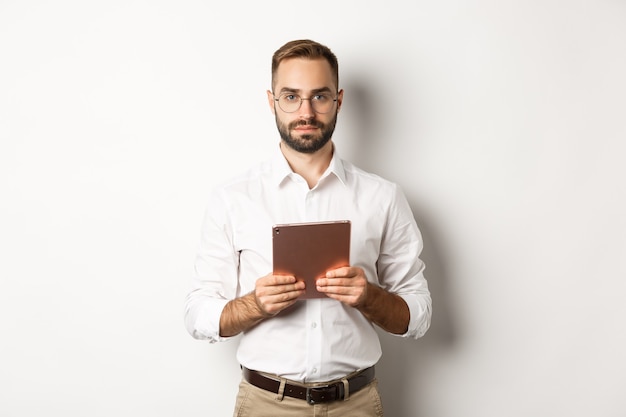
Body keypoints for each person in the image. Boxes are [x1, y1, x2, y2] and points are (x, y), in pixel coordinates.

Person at [184, 39, 432, 417]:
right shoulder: (233, 199)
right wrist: (254, 305)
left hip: (357, 405)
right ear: (271, 101)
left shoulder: (383, 197)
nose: (306, 111)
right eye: (291, 96)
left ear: (339, 100)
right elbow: (198, 315)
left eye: (319, 96)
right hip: (266, 405)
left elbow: (418, 315)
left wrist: (368, 296)